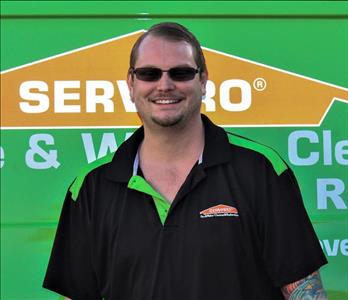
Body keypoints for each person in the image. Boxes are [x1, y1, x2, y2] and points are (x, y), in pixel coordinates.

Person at [43, 22, 328, 299]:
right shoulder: (91, 187)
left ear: (203, 80)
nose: (164, 85)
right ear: (131, 84)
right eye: (149, 74)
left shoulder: (261, 170)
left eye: (180, 73)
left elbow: (304, 291)